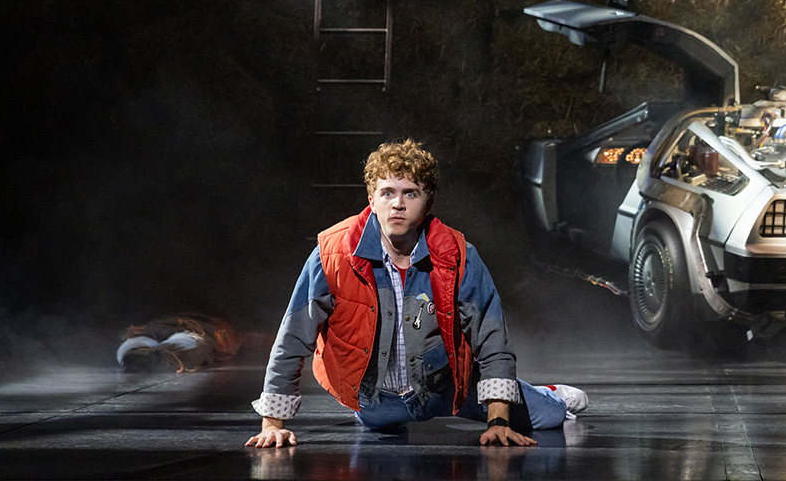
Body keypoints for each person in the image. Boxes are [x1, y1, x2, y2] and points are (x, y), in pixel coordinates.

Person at [246, 139, 586, 448]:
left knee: (548, 418)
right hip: (376, 404)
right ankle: (381, 412)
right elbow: (293, 337)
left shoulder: (457, 254)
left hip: (448, 389)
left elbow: (492, 338)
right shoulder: (332, 254)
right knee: (378, 426)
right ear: (371, 200)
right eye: (387, 193)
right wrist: (272, 423)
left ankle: (549, 395)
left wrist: (498, 420)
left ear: (427, 203)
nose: (397, 204)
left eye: (410, 193)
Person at [116, 313, 240, 373]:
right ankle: (143, 355)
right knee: (135, 345)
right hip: (157, 327)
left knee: (181, 342)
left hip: (191, 328)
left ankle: (149, 356)